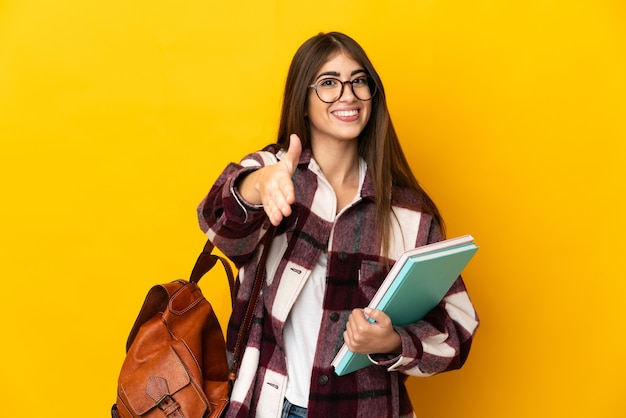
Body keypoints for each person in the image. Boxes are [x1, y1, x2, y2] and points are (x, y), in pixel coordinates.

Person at [197, 31, 479, 418]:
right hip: (268, 405)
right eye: (329, 83)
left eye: (358, 81)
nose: (347, 94)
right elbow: (218, 224)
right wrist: (257, 187)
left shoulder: (411, 215)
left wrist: (393, 340)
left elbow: (458, 329)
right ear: (304, 96)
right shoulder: (275, 172)